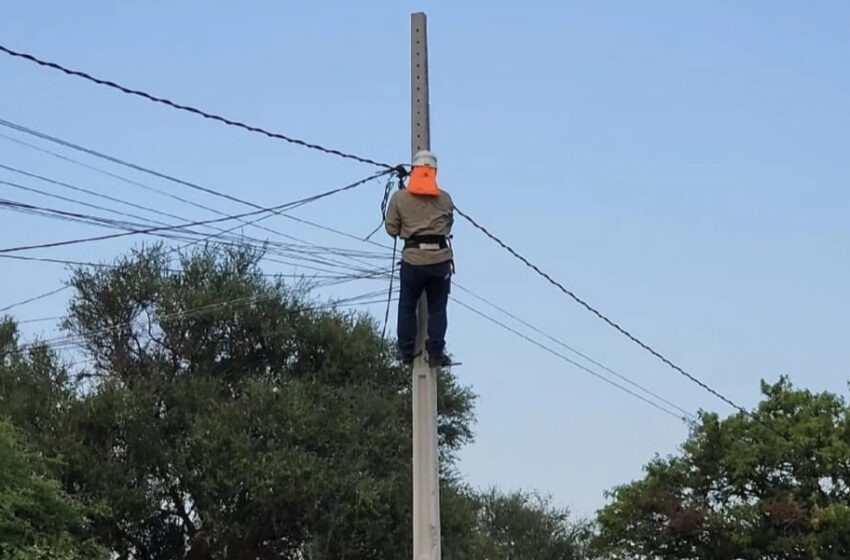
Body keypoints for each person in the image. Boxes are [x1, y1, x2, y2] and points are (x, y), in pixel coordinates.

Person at [385, 149, 454, 367]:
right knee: (437, 308)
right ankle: (435, 352)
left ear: (414, 170)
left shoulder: (400, 198)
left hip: (413, 260)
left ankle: (406, 351)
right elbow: (449, 225)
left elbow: (391, 229)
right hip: (440, 260)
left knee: (407, 305)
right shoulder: (445, 198)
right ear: (434, 172)